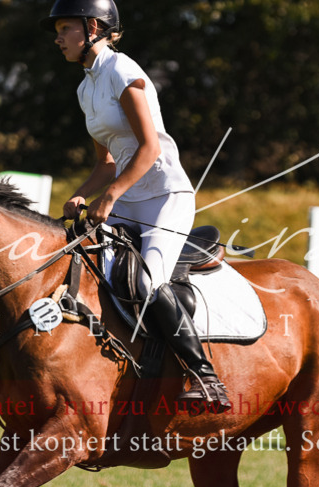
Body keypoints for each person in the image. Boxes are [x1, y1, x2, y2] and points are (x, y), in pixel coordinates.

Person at [41, 0, 232, 414]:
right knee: (88, 269)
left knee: (148, 284)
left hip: (164, 197)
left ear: (93, 27)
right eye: (57, 31)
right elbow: (107, 163)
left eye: (65, 28)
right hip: (126, 197)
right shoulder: (85, 88)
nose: (58, 38)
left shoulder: (122, 71)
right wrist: (83, 193)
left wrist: (109, 197)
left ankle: (205, 377)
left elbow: (149, 149)